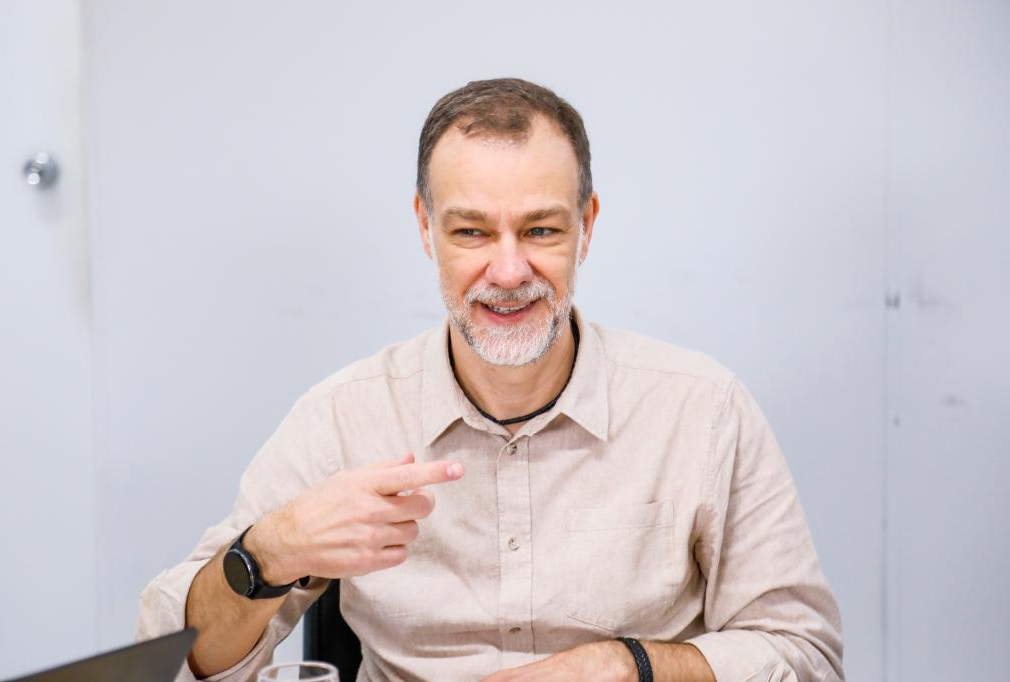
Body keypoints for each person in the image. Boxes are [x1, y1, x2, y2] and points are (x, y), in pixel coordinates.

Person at [137, 77, 844, 682]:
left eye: (541, 231)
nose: (508, 273)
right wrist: (267, 552)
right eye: (471, 232)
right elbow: (168, 661)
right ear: (425, 227)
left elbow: (807, 655)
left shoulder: (703, 409)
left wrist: (624, 666)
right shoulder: (341, 418)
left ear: (587, 225)